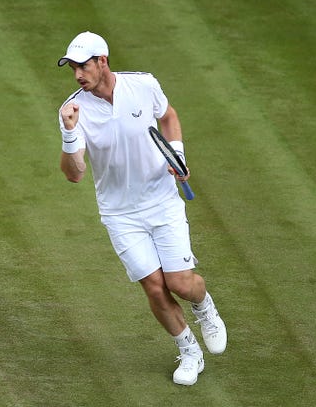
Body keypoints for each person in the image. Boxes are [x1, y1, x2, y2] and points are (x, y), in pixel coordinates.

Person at [56, 31, 227, 386]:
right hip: (120, 214)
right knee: (153, 286)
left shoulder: (144, 85)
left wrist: (177, 153)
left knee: (180, 283)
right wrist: (69, 133)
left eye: (83, 66)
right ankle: (190, 351)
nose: (77, 75)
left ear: (102, 61)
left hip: (162, 202)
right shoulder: (73, 110)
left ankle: (204, 305)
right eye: (72, 68)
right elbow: (75, 175)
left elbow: (168, 116)